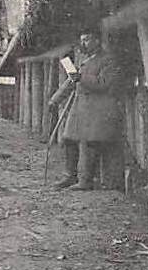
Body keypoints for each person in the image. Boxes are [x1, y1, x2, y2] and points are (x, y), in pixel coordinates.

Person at [48, 31, 126, 190]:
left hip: (99, 108)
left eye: (87, 40)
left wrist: (81, 78)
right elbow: (71, 82)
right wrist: (55, 100)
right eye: (82, 40)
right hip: (80, 107)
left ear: (97, 41)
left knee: (91, 143)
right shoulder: (84, 60)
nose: (83, 43)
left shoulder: (108, 60)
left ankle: (86, 181)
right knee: (69, 139)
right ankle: (70, 176)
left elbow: (104, 83)